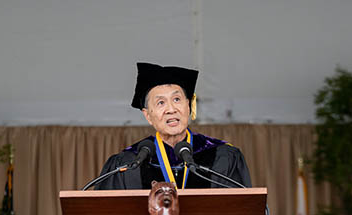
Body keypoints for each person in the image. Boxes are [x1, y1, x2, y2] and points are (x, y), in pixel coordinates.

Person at [96, 62, 251, 190]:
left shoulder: (221, 155)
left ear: (189, 106)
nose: (171, 109)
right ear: (148, 115)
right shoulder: (129, 162)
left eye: (177, 99)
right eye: (161, 102)